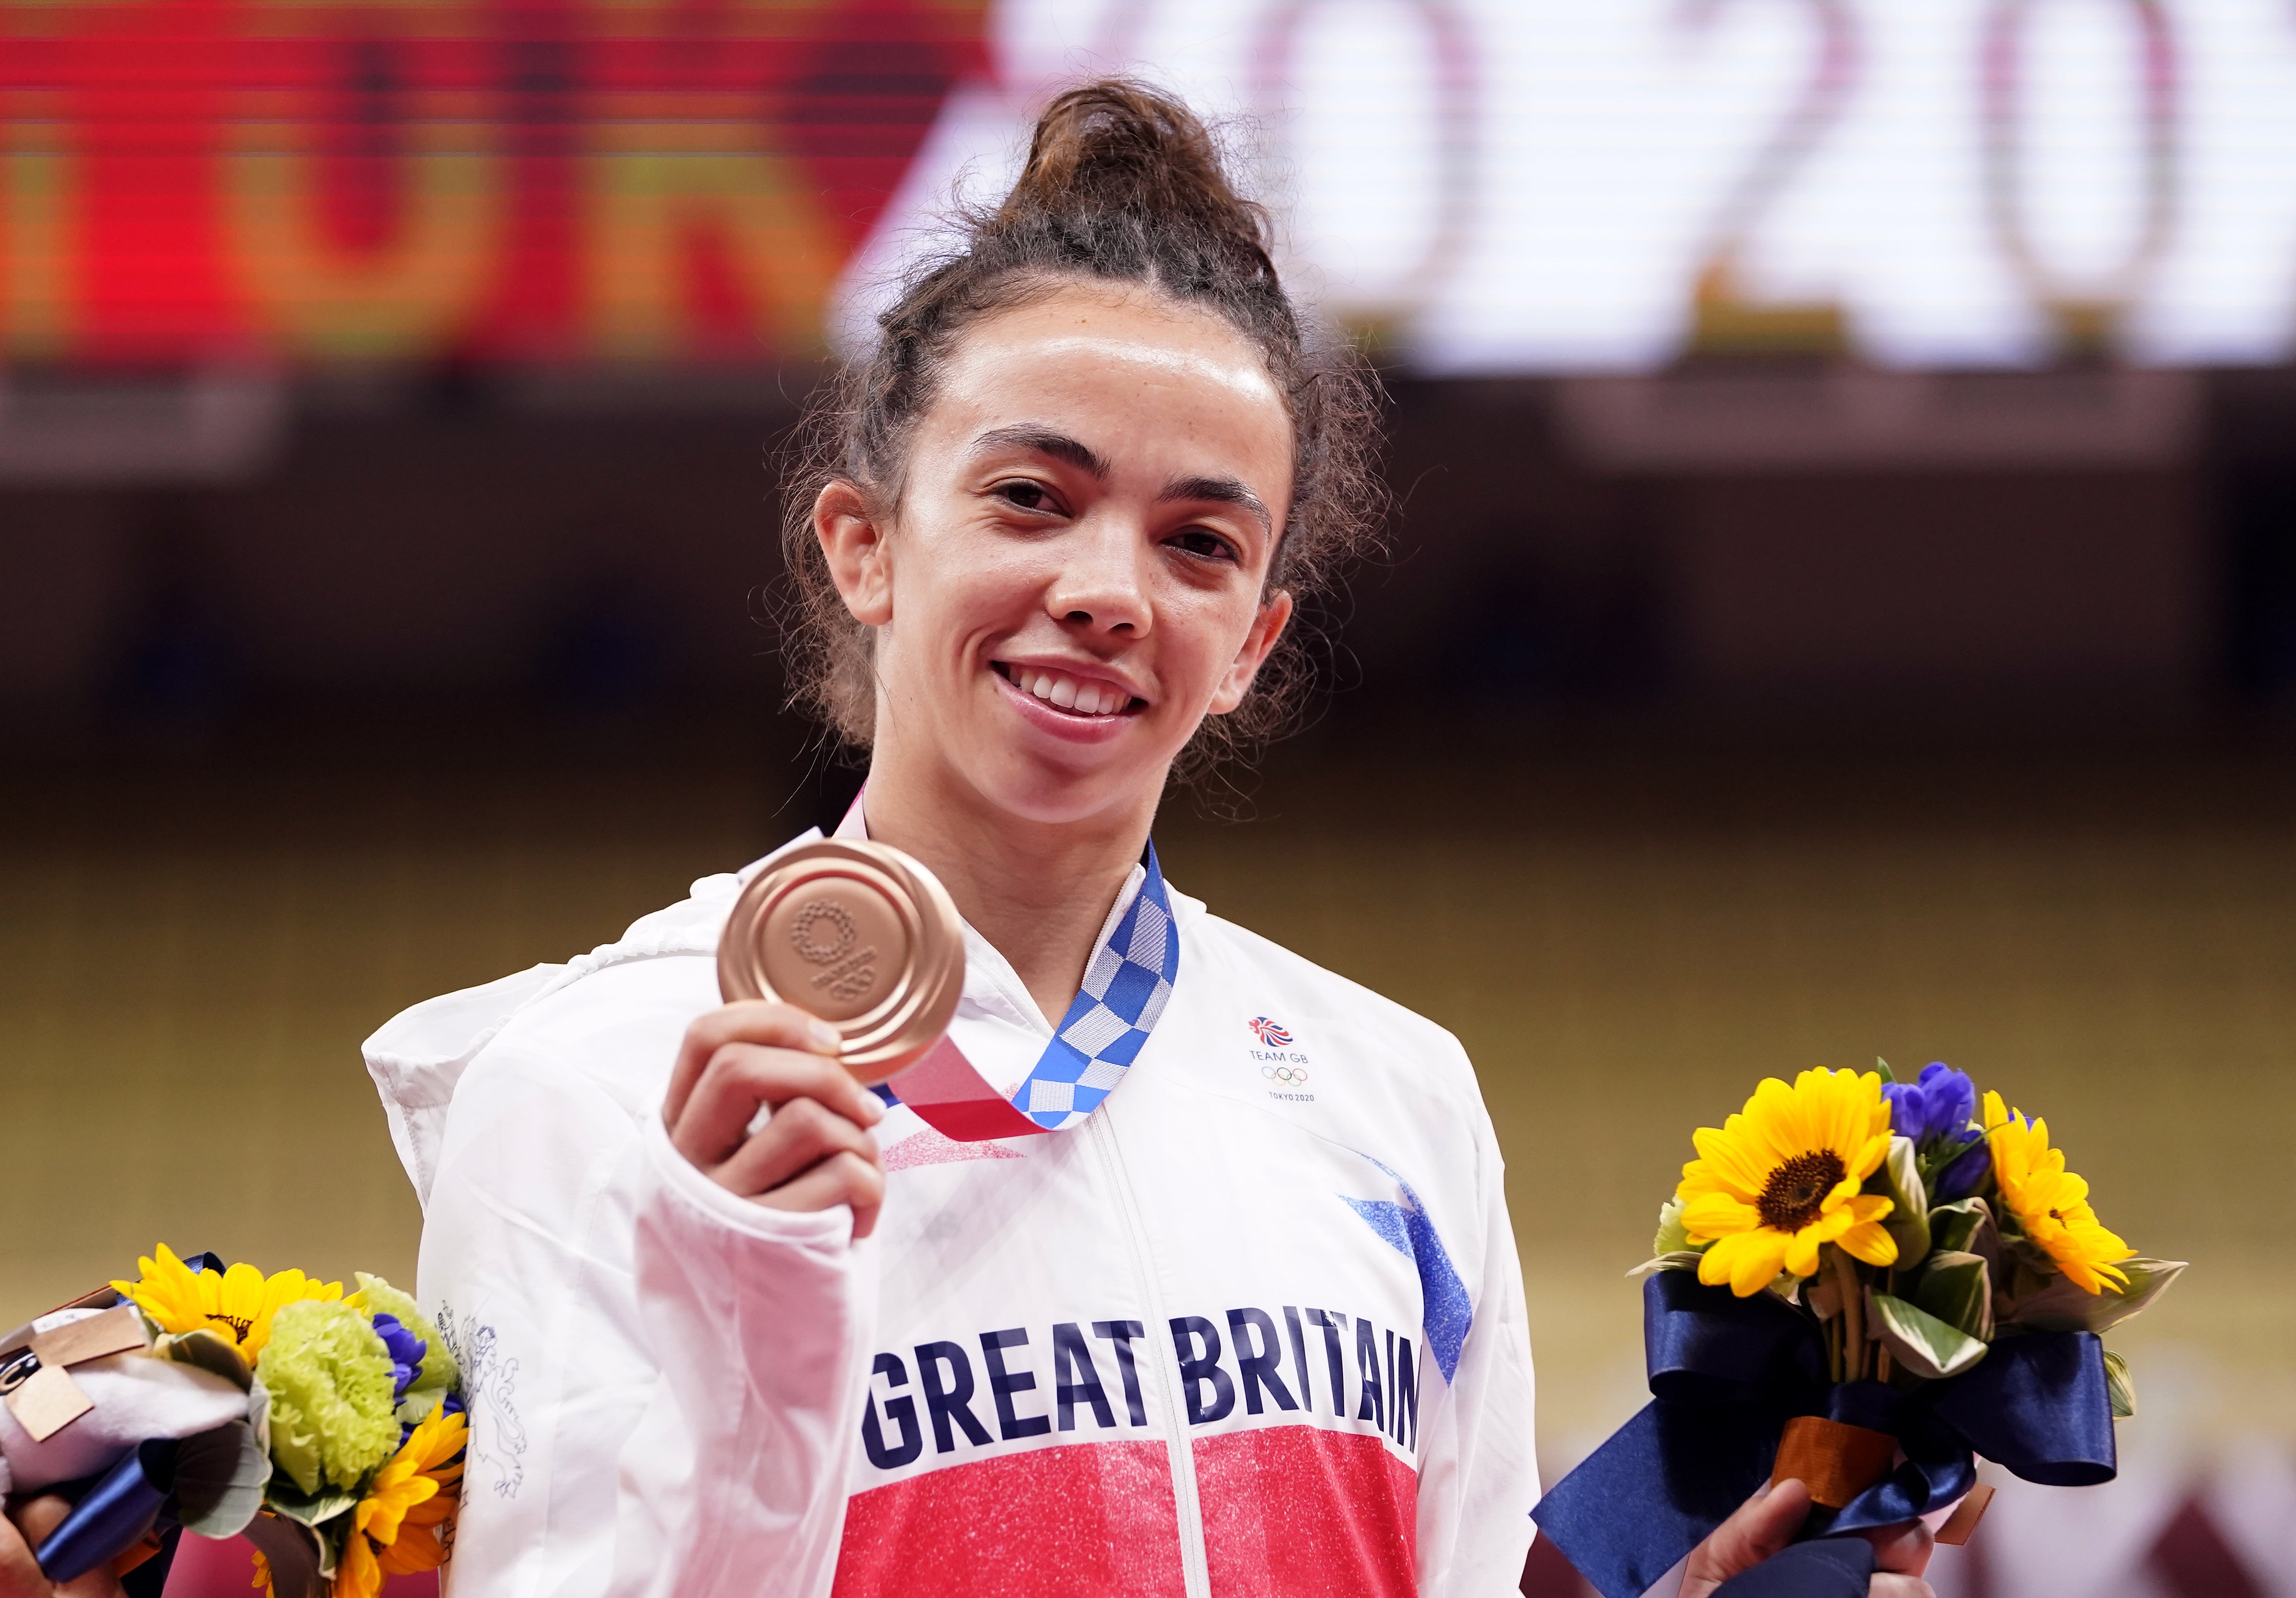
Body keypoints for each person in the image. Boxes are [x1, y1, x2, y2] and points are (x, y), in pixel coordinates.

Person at [360, 79, 1931, 1598]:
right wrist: (742, 1310)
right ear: (863, 549)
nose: (1111, 589)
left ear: (1249, 639)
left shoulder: (1393, 1094)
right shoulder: (593, 1085)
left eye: (1198, 541)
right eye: (1033, 497)